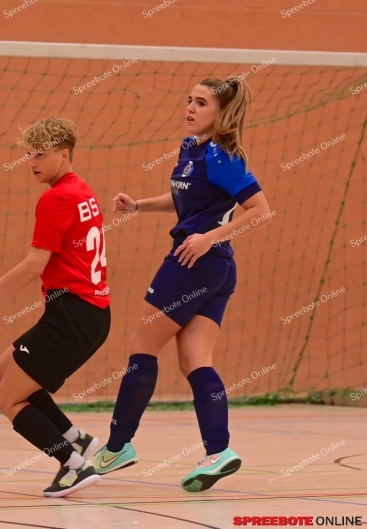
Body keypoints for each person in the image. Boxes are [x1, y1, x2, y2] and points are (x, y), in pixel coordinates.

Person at [91, 78, 273, 492]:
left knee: (142, 346)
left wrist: (210, 236)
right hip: (216, 270)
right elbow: (184, 200)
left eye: (201, 103)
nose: (190, 108)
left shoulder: (224, 156)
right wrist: (138, 205)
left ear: (220, 113)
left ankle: (117, 447)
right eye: (189, 100)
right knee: (195, 361)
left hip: (194, 262)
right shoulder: (192, 150)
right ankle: (218, 452)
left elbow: (261, 209)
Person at [0, 117, 111, 498]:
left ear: (64, 154)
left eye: (40, 154)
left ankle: (73, 465)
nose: (32, 161)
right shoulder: (81, 190)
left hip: (73, 314)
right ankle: (79, 440)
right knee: (4, 371)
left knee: (7, 399)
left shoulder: (55, 198)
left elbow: (33, 264)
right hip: (87, 313)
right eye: (29, 154)